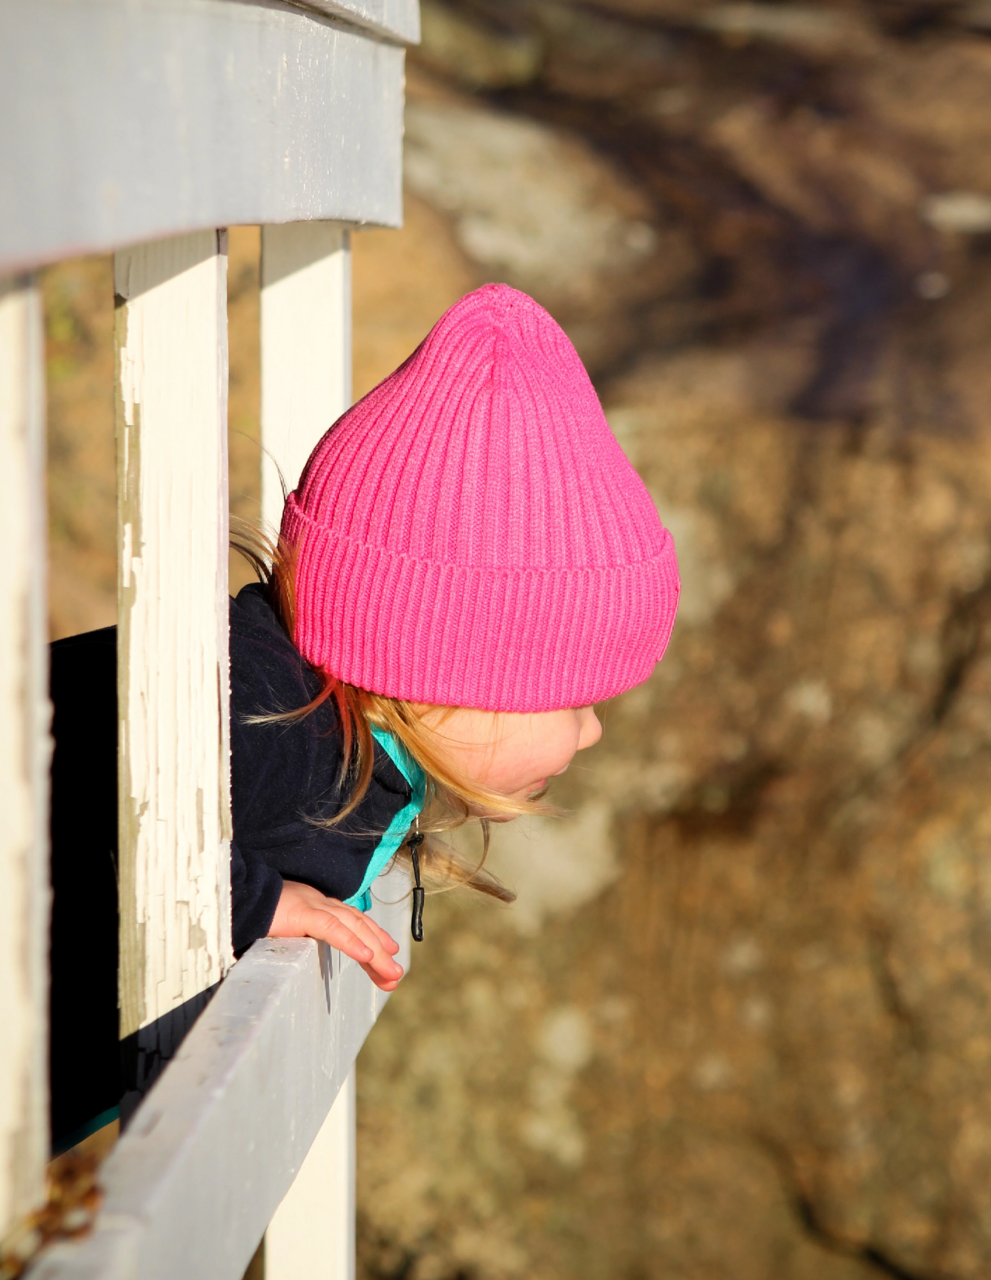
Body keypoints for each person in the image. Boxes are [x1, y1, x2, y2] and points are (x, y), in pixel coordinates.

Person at [49, 283, 680, 1148]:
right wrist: (240, 897)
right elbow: (75, 776)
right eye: (571, 695)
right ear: (438, 669)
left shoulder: (326, 729)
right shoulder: (269, 718)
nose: (592, 730)